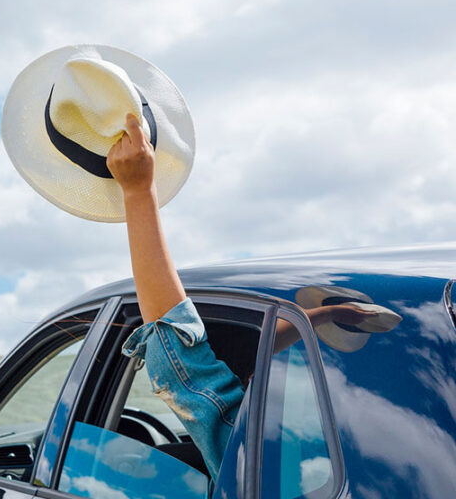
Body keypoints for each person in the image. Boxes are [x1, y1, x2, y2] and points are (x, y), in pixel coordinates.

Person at [106, 113, 373, 478]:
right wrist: (321, 316)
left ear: (246, 382)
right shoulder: (361, 449)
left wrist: (138, 193)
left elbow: (178, 359)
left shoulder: (255, 457)